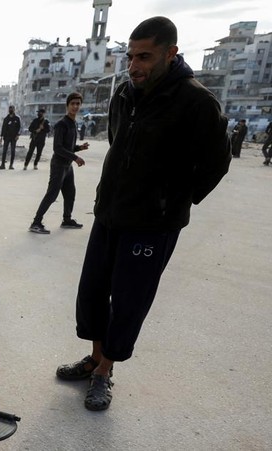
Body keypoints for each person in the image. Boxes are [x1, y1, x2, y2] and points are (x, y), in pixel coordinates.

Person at [55, 17, 231, 411]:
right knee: (93, 292)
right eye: (132, 56)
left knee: (130, 300)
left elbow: (218, 162)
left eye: (145, 57)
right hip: (110, 214)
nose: (134, 65)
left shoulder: (196, 102)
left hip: (152, 225)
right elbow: (120, 147)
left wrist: (171, 199)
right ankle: (96, 357)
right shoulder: (124, 94)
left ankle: (105, 372)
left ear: (171, 53)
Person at [29, 93, 88, 234]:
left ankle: (67, 220)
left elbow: (68, 147)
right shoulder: (61, 124)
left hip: (68, 166)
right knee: (52, 194)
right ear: (67, 105)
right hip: (59, 165)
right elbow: (58, 148)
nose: (75, 106)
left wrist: (79, 148)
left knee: (70, 193)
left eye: (78, 103)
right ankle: (36, 223)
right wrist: (75, 157)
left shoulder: (74, 123)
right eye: (72, 103)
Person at [0, 106, 20, 170]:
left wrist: (18, 135)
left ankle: (11, 165)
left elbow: (19, 127)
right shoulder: (6, 119)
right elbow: (3, 128)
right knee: (4, 151)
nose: (11, 110)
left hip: (14, 137)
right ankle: (2, 165)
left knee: (13, 151)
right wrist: (1, 137)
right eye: (10, 109)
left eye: (12, 109)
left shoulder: (17, 118)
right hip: (6, 137)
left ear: (14, 110)